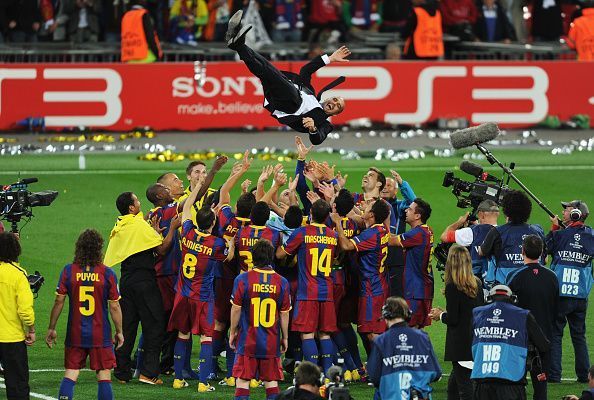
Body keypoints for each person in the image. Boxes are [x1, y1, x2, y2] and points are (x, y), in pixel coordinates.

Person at [225, 10, 348, 146]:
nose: (335, 103)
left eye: (338, 106)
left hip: (291, 104)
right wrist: (329, 58)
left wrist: (313, 129)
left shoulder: (324, 123)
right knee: (265, 67)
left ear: (336, 113)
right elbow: (306, 70)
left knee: (271, 72)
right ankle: (237, 44)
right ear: (329, 98)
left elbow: (318, 139)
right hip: (280, 95)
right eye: (336, 100)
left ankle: (239, 45)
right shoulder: (310, 93)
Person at [168, 181, 234, 393]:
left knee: (183, 334)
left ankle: (178, 379)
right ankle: (204, 383)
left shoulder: (187, 232)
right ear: (213, 221)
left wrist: (195, 190)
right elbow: (228, 256)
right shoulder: (215, 244)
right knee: (206, 337)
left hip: (183, 294)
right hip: (203, 297)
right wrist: (230, 241)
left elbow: (187, 208)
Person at [45, 229, 124, 400]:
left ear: (78, 247)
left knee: (71, 373)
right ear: (99, 248)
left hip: (76, 333)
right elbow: (115, 306)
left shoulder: (68, 271)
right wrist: (119, 331)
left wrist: (51, 328)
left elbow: (59, 301)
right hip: (100, 334)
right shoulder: (107, 273)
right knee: (104, 376)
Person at [104, 192, 173, 384]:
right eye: (136, 200)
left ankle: (121, 373)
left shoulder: (121, 224)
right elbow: (160, 250)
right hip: (145, 281)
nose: (139, 202)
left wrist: (153, 232)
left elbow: (139, 244)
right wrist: (173, 228)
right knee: (155, 324)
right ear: (131, 208)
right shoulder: (138, 223)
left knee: (127, 327)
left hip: (126, 281)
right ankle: (148, 373)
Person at [276, 199, 338, 376]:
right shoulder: (332, 235)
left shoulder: (302, 232)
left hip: (307, 292)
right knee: (325, 334)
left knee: (308, 334)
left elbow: (281, 254)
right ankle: (327, 375)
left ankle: (312, 376)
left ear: (310, 213)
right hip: (327, 291)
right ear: (327, 216)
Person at [229, 239, 291, 400]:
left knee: (242, 381)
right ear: (271, 257)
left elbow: (236, 308)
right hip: (270, 341)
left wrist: (232, 331)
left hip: (247, 340)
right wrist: (285, 337)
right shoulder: (282, 282)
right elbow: (284, 313)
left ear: (253, 257)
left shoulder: (242, 279)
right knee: (271, 383)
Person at [471, 285, 550, 400]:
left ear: (488, 298)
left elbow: (470, 343)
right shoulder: (523, 315)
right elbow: (544, 346)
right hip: (512, 383)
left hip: (482, 381)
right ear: (513, 298)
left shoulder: (477, 313)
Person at [546, 200, 594, 383]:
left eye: (565, 210)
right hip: (580, 296)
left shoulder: (560, 235)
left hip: (561, 296)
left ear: (575, 214)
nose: (562, 212)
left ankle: (554, 375)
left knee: (556, 334)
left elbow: (545, 247)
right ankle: (584, 376)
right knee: (579, 336)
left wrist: (554, 228)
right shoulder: (590, 236)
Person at [429, 245, 484, 400]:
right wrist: (444, 313)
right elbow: (470, 313)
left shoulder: (453, 286)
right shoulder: (477, 283)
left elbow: (453, 319)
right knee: (454, 387)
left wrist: (440, 315)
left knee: (465, 390)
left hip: (460, 345)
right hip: (474, 340)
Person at [507, 235, 558, 400]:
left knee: (516, 385)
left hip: (520, 340)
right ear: (542, 252)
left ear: (522, 251)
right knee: (541, 387)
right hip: (544, 340)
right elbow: (556, 309)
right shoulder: (552, 277)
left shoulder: (515, 276)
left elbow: (509, 310)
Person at [332, 199, 390, 343]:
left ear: (371, 214)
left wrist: (338, 223)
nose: (363, 207)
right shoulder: (383, 229)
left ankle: (386, 363)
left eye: (367, 207)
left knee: (371, 332)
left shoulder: (371, 234)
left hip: (371, 288)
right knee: (372, 329)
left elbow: (345, 245)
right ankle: (379, 363)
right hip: (379, 284)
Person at [367, 297, 442, 400]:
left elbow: (374, 377)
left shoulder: (381, 341)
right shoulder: (423, 338)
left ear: (385, 316)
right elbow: (436, 373)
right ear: (408, 315)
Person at [480, 189, 545, 286]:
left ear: (506, 211)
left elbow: (482, 252)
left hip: (504, 289)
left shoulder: (497, 232)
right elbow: (545, 259)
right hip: (531, 286)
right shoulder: (536, 232)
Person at [0, 232, 35, 400]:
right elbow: (25, 310)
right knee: (17, 386)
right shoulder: (19, 274)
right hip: (11, 339)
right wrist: (31, 329)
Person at [390, 198, 435, 328]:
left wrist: (378, 227)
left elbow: (391, 241)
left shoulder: (417, 234)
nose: (406, 210)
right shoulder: (426, 230)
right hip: (422, 287)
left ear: (417, 216)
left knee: (410, 328)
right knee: (416, 328)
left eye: (409, 209)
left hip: (416, 289)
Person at [440, 199, 500, 281]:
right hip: (495, 284)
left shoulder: (471, 232)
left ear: (481, 215)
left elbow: (444, 236)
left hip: (475, 286)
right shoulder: (503, 232)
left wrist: (460, 222)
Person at [381, 169, 416, 297]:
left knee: (396, 294)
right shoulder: (373, 206)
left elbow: (415, 202)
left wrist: (402, 183)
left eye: (389, 185)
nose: (385, 188)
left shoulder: (401, 207)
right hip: (377, 256)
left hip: (395, 257)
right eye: (383, 186)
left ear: (396, 191)